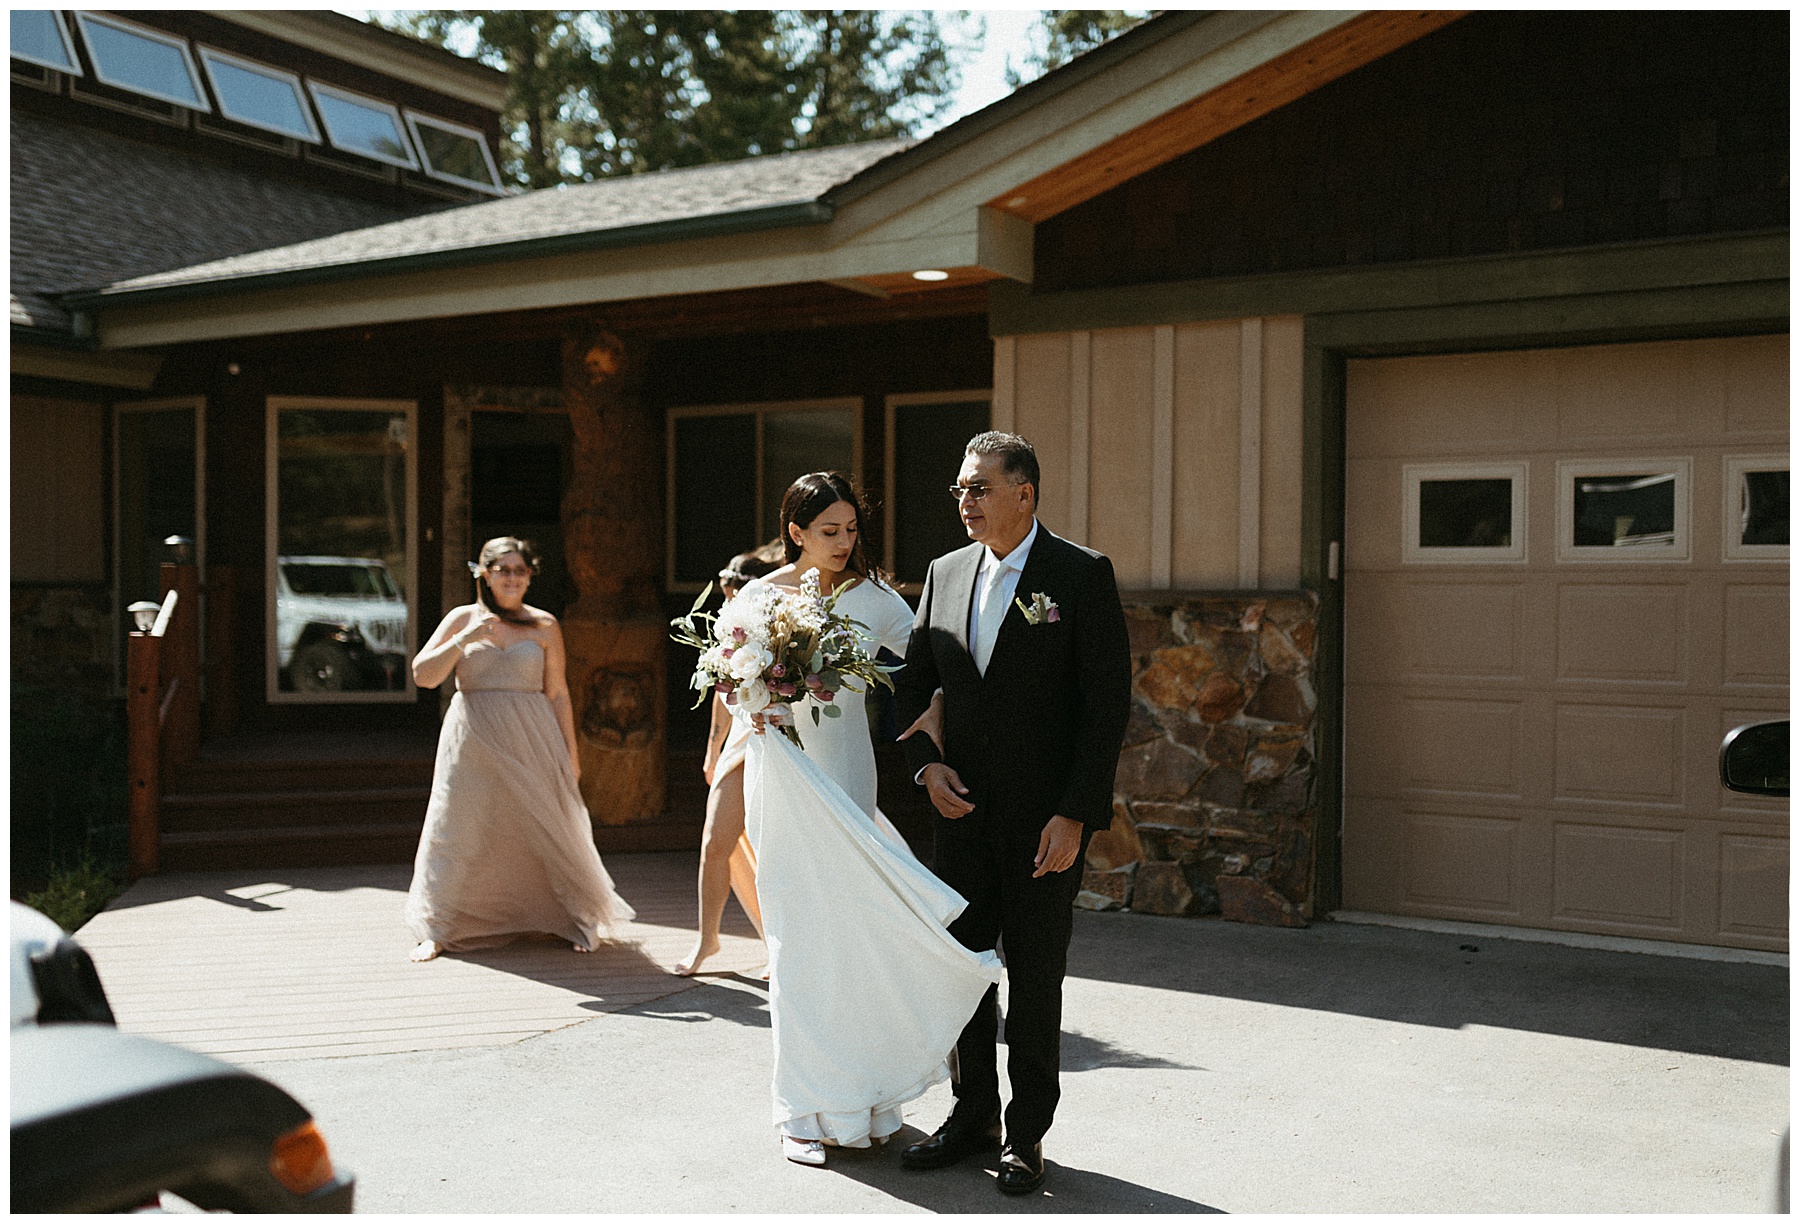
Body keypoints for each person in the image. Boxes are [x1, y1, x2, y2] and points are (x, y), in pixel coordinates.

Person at [735, 472, 1002, 1168]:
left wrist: (943, 746)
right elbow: (735, 686)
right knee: (795, 944)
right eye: (829, 531)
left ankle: (866, 1103)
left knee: (849, 940)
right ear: (795, 531)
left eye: (852, 529)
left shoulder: (880, 600)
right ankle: (798, 1111)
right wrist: (755, 704)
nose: (843, 542)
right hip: (784, 782)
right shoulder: (759, 598)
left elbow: (924, 677)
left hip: (848, 777)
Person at [894, 432, 1131, 1196]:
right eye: (961, 488)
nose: (965, 501)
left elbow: (1105, 711)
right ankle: (972, 1116)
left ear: (1024, 493)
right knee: (962, 971)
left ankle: (1026, 1134)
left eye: (980, 488)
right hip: (958, 818)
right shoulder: (944, 571)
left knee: (1035, 978)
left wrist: (1075, 816)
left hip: (1043, 826)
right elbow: (911, 681)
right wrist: (924, 768)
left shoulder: (1080, 575)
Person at [404, 536, 635, 963]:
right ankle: (439, 927)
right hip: (473, 736)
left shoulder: (545, 624)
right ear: (484, 574)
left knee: (547, 822)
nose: (512, 578)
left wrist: (571, 754)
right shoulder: (462, 618)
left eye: (520, 570)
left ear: (530, 576)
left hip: (532, 736)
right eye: (502, 570)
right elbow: (423, 675)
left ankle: (575, 918)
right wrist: (465, 638)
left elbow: (559, 693)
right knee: (456, 824)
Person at [674, 541, 782, 977]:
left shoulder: (776, 628)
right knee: (715, 841)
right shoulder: (725, 632)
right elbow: (723, 694)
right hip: (738, 742)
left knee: (776, 850)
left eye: (735, 588)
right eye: (726, 589)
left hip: (776, 741)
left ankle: (779, 947)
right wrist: (712, 748)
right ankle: (707, 941)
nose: (729, 596)